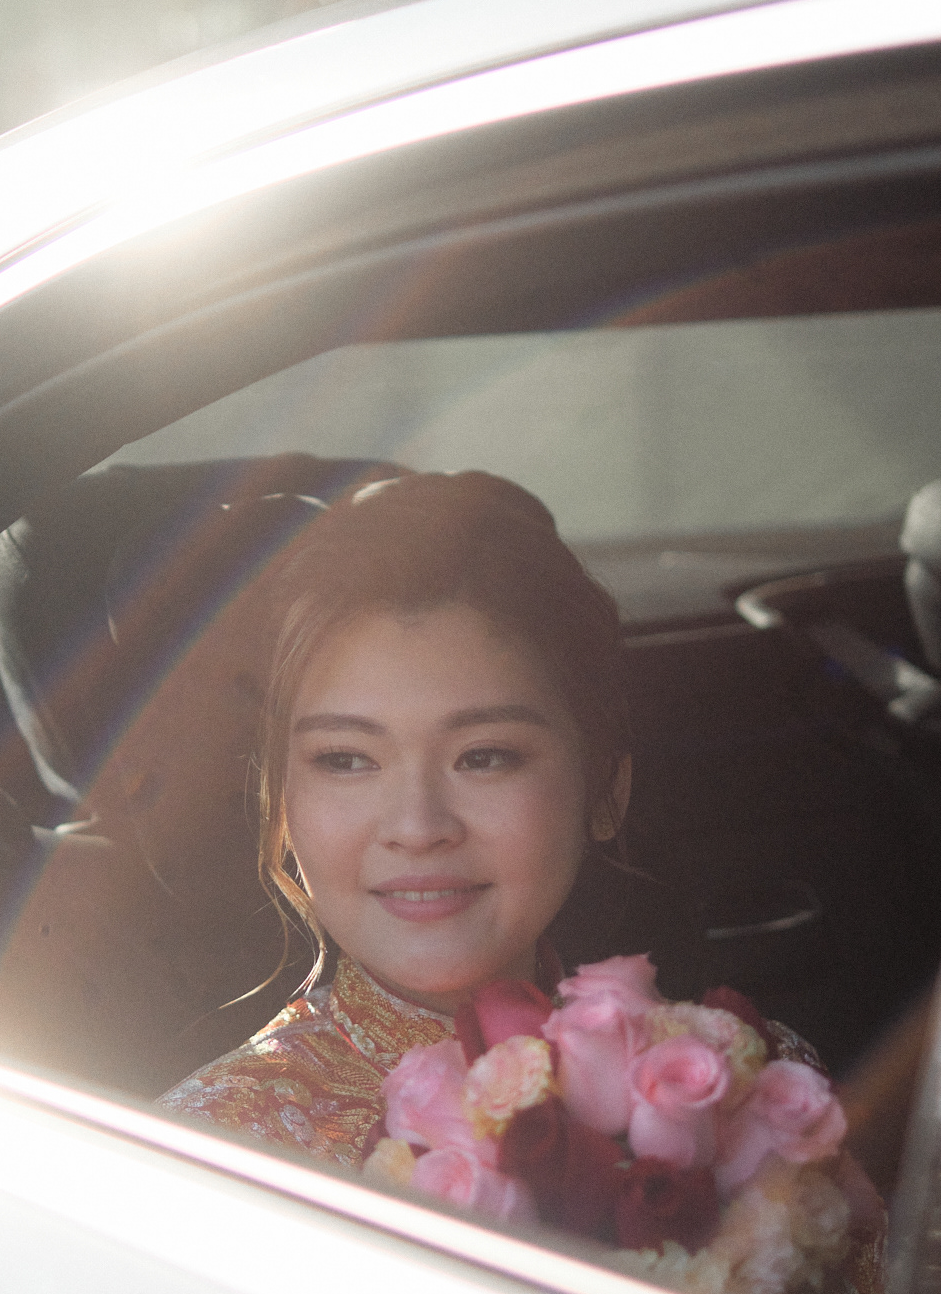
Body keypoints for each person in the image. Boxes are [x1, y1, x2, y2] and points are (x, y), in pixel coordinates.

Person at [152, 470, 813, 1173]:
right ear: (282, 801)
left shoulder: (752, 1090)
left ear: (606, 790)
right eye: (346, 760)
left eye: (485, 757)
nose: (418, 826)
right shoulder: (209, 1160)